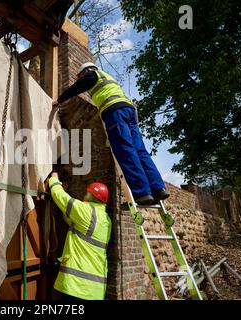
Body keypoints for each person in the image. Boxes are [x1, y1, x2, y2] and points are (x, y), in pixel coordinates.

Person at [53, 62, 169, 205]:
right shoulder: (107, 77)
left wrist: (58, 101)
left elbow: (75, 89)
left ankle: (142, 193)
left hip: (115, 112)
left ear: (85, 71)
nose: (79, 78)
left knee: (125, 150)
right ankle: (158, 188)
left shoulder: (91, 75)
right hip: (129, 111)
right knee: (140, 151)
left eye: (79, 75)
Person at [47, 172, 111, 300]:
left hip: (77, 286)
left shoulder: (86, 211)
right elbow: (75, 222)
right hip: (96, 289)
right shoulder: (105, 219)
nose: (84, 195)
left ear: (90, 197)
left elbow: (59, 196)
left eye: (87, 193)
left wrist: (54, 179)